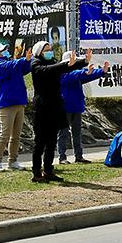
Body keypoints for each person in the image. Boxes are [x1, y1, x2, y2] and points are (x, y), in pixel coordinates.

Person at [29, 42, 86, 182]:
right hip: (42, 108)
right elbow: (48, 70)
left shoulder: (54, 62)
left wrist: (84, 62)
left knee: (51, 141)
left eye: (50, 49)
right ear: (39, 52)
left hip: (55, 107)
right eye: (46, 50)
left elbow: (67, 67)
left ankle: (48, 170)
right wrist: (65, 64)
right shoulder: (36, 64)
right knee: (40, 142)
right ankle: (36, 172)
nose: (49, 52)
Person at [0, 42, 32, 172]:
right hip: (7, 103)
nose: (6, 52)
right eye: (3, 50)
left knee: (16, 135)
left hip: (19, 101)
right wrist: (24, 59)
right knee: (5, 134)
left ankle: (13, 161)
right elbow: (10, 66)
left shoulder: (11, 63)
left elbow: (24, 68)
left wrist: (28, 61)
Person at [59, 55, 108, 164]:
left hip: (76, 106)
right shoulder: (62, 74)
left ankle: (79, 156)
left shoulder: (77, 74)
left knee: (77, 133)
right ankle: (62, 157)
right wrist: (85, 73)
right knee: (63, 133)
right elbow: (75, 76)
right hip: (65, 108)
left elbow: (88, 75)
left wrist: (101, 72)